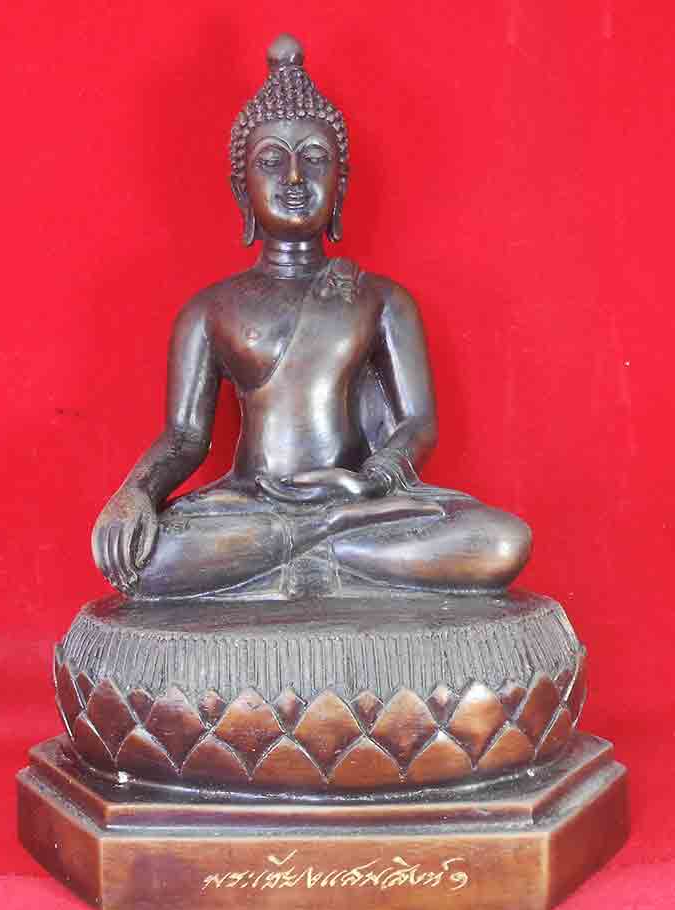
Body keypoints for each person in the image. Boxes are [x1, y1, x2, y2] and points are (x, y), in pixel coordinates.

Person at [92, 35, 531, 600]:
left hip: (358, 505)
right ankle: (321, 552)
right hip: (251, 505)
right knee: (146, 558)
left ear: (340, 185)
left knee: (500, 541)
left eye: (316, 159)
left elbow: (417, 425)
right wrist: (136, 491)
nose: (295, 179)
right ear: (242, 189)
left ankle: (307, 552)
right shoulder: (209, 309)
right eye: (272, 161)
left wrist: (368, 483)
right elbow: (185, 436)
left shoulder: (381, 299)